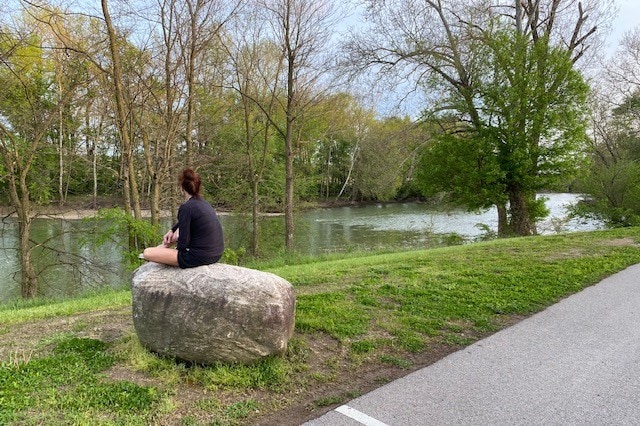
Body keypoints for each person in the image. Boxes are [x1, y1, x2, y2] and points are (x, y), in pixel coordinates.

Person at [142, 168, 224, 268]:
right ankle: (159, 250)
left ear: (181, 188)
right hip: (216, 254)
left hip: (198, 257)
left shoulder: (186, 207)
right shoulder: (204, 204)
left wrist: (174, 244)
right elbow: (183, 222)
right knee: (171, 239)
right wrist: (172, 230)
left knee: (147, 253)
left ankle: (157, 251)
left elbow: (183, 244)